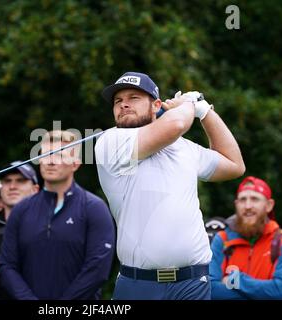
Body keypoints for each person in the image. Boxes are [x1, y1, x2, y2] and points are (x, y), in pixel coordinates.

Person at [94, 71, 245, 300]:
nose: (123, 105)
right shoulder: (110, 142)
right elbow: (175, 124)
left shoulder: (184, 148)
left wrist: (205, 111)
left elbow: (235, 165)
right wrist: (188, 104)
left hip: (192, 283)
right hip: (139, 284)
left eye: (133, 98)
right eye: (118, 101)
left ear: (156, 105)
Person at [0, 130, 115, 300]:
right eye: (45, 155)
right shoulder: (21, 210)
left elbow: (97, 269)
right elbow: (7, 265)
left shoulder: (94, 208)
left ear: (75, 164)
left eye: (60, 156)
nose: (50, 162)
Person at [210, 176, 282, 299]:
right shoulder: (222, 239)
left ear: (269, 205)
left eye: (255, 199)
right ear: (236, 205)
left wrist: (236, 279)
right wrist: (263, 293)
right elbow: (211, 290)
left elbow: (280, 292)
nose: (248, 206)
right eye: (242, 199)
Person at [0, 162, 39, 249]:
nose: (12, 186)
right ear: (1, 190)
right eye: (7, 181)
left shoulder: (51, 227)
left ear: (35, 190)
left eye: (20, 180)